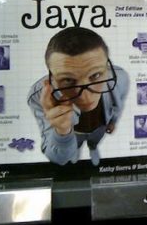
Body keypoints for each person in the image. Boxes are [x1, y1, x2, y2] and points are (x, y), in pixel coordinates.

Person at [27, 27, 129, 166]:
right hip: (75, 133)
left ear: (107, 67)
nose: (86, 98)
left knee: (94, 142)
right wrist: (62, 131)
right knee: (74, 148)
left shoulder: (121, 78)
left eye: (95, 75)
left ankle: (93, 148)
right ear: (52, 78)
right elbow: (58, 158)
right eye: (68, 80)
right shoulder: (40, 96)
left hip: (100, 127)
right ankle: (75, 152)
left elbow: (118, 104)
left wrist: (113, 121)